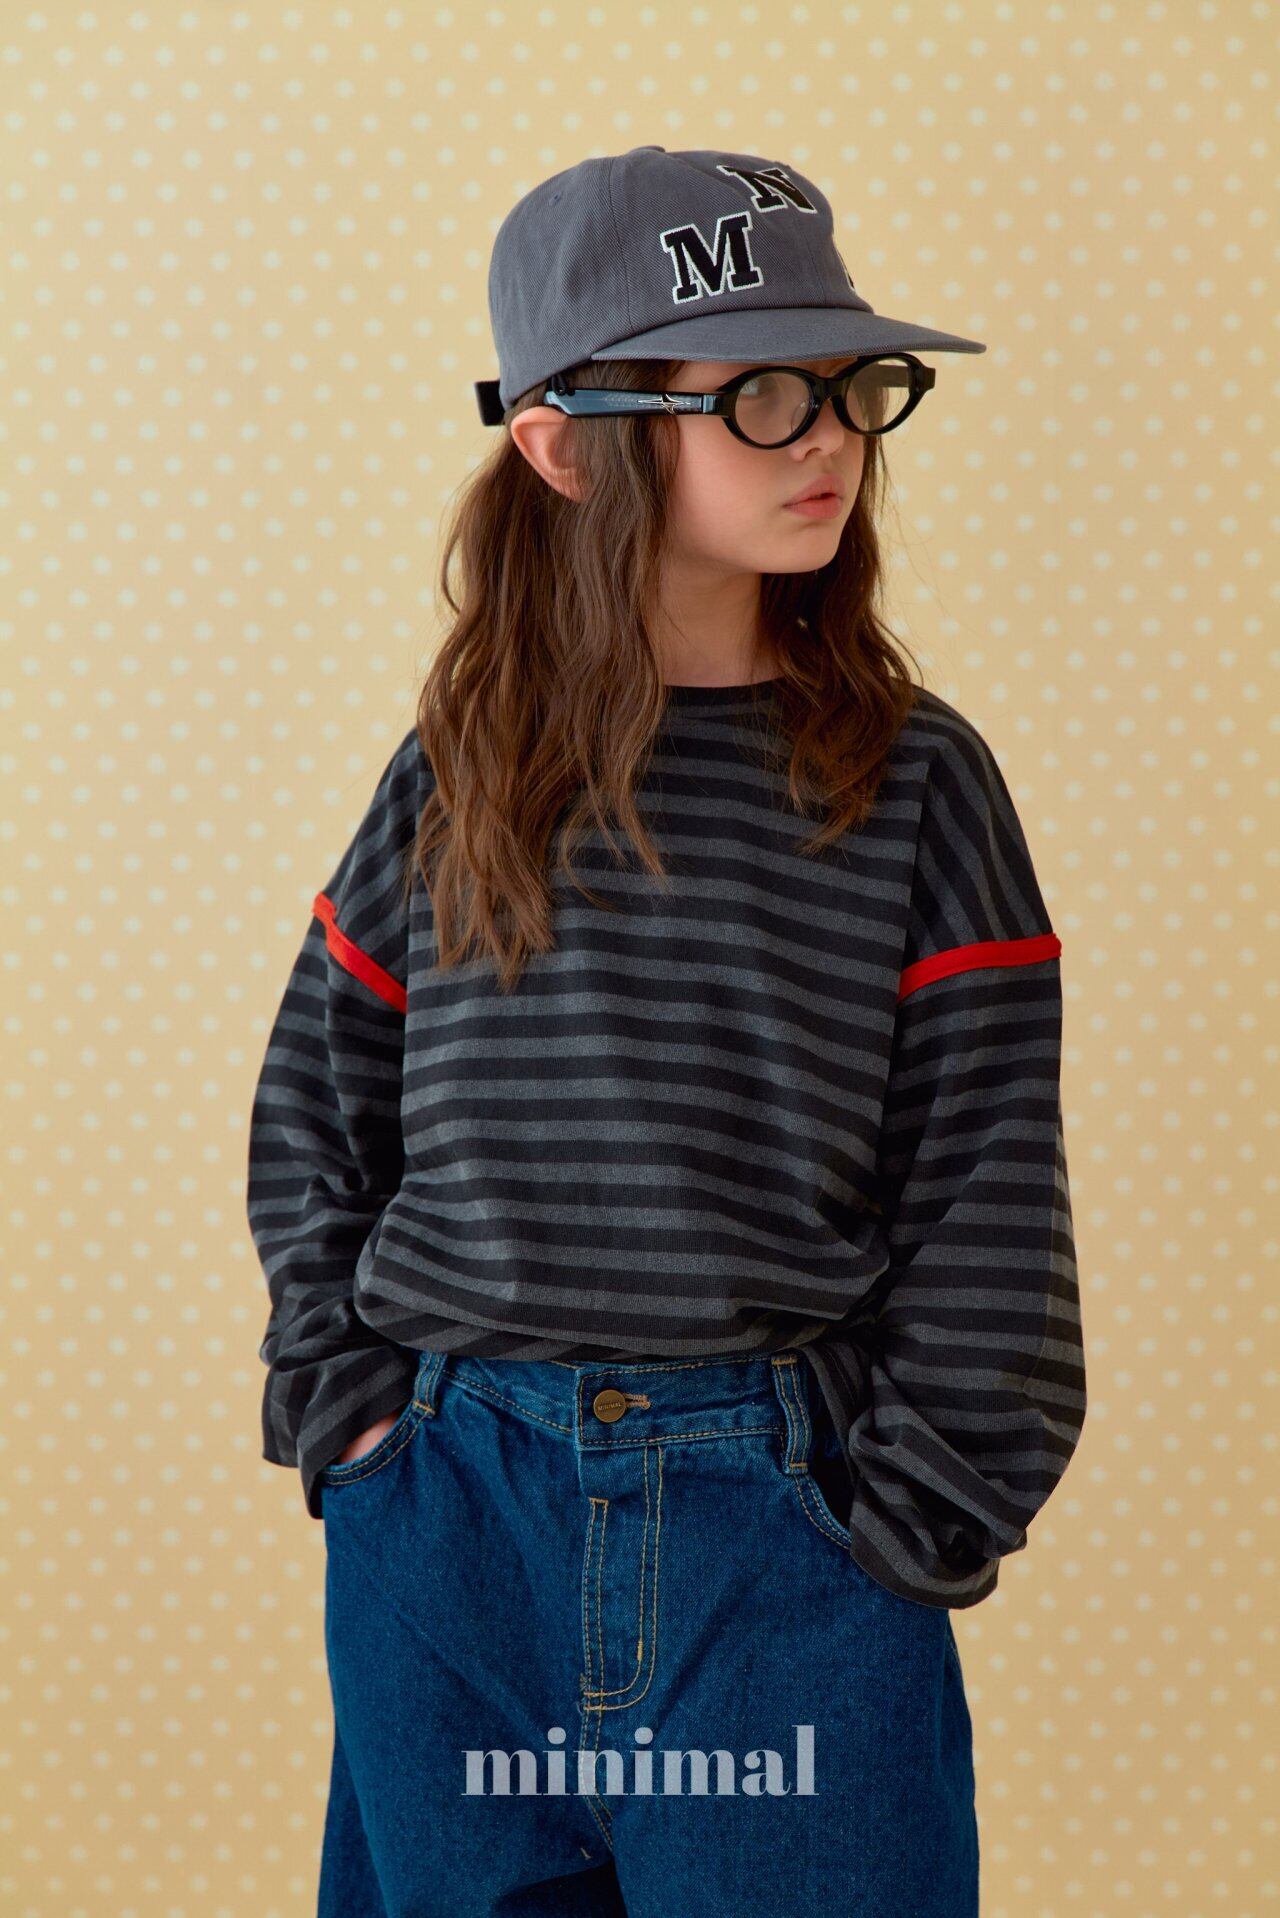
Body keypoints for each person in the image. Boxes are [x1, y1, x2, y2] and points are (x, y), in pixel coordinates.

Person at [246, 145, 1087, 1918]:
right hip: (449, 1533)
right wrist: (356, 1427)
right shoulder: (456, 774)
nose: (830, 437)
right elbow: (317, 1104)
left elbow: (989, 1188)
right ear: (566, 446)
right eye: (762, 395)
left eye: (853, 384)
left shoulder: (920, 784)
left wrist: (912, 1515)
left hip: (786, 1553)